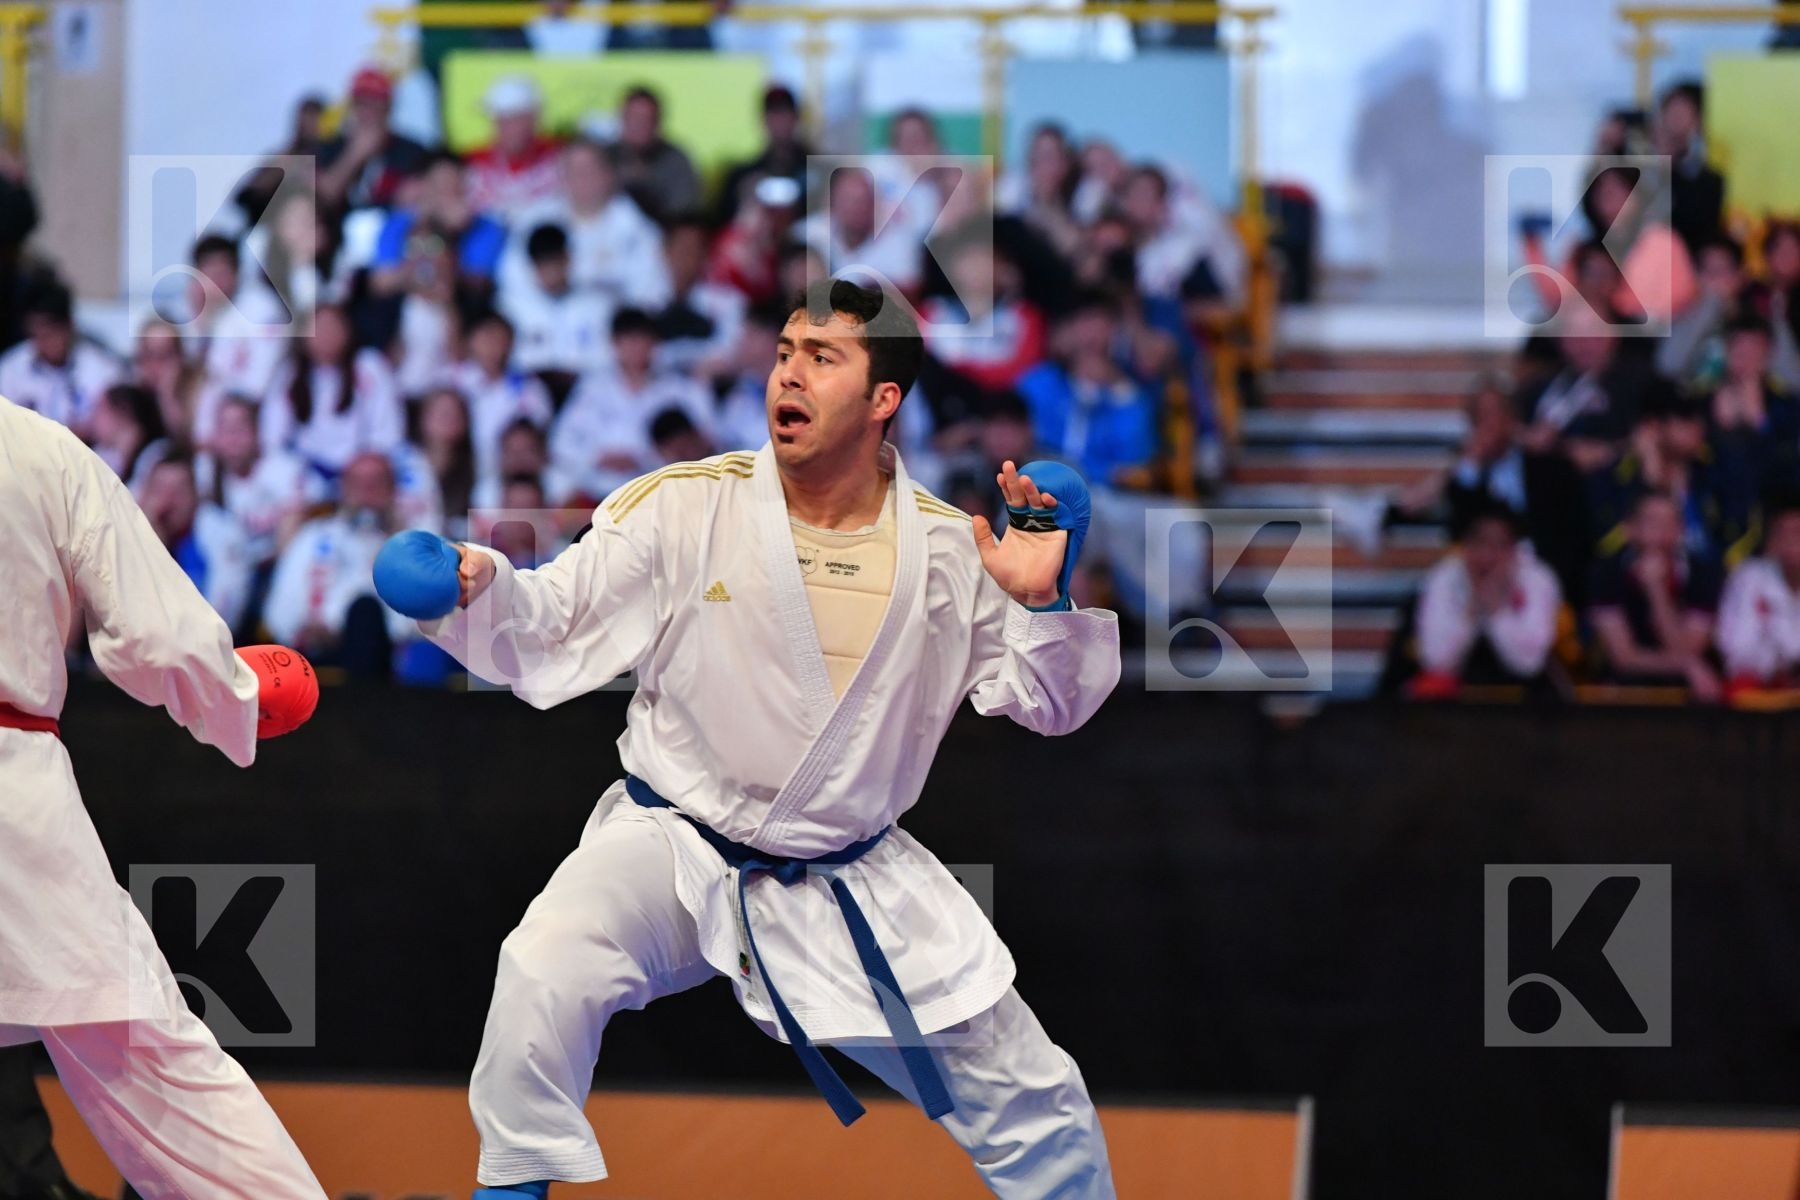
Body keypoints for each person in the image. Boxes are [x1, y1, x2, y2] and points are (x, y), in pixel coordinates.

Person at [377, 279, 1119, 1197]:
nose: (788, 376)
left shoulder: (953, 549)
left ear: (885, 398)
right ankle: (510, 1193)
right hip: (674, 843)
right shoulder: (686, 507)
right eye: (782, 352)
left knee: (1042, 1105)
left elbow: (1053, 706)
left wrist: (1042, 599)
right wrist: (473, 583)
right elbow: (550, 619)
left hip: (848, 878)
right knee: (542, 966)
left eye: (822, 357)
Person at [0, 395, 323, 1199]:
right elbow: (161, 638)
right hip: (13, 798)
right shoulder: (37, 449)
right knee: (151, 1062)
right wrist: (236, 695)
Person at [1410, 501, 1563, 693]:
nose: (1487, 556)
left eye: (1499, 545)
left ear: (1514, 549)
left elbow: (1530, 664)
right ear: (1464, 545)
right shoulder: (1444, 578)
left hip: (1527, 697)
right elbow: (1436, 661)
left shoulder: (1536, 578)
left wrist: (1497, 610)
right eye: (1479, 543)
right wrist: (1472, 608)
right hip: (1457, 698)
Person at [1588, 490, 1724, 700]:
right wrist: (1685, 665)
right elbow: (1623, 657)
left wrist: (1656, 591)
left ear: (1682, 529)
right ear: (1629, 529)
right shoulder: (1605, 573)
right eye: (1652, 522)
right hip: (1625, 687)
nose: (1662, 532)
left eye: (1671, 523)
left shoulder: (1703, 574)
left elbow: (1686, 649)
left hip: (1687, 688)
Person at [0, 282, 123, 437]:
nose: (45, 342)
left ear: (69, 326)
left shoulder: (104, 371)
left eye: (52, 332)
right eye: (38, 334)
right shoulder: (10, 370)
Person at [467, 76, 564, 222]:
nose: (510, 129)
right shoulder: (474, 162)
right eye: (503, 120)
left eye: (517, 119)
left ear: (535, 120)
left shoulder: (560, 157)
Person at [606, 87, 701, 223]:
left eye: (647, 120)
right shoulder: (603, 158)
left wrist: (648, 184)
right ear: (621, 119)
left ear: (659, 122)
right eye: (634, 119)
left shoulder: (677, 160)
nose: (640, 126)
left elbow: (685, 213)